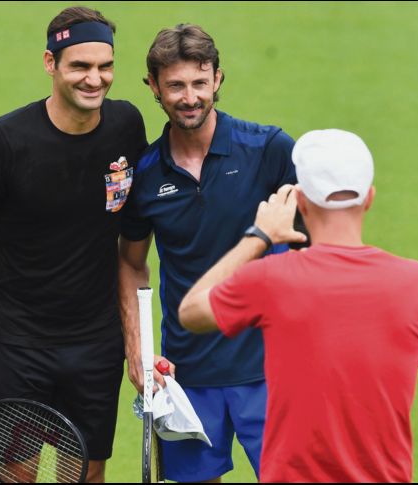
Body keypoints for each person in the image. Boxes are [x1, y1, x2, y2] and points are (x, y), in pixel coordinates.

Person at [0, 6, 147, 482]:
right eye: (80, 66)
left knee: (86, 477)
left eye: (105, 66)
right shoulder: (1, 142)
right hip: (18, 345)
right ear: (50, 63)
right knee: (18, 477)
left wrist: (136, 342)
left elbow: (133, 245)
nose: (95, 79)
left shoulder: (126, 127)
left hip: (97, 345)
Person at [179, 129, 418, 482]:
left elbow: (191, 311)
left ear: (300, 202)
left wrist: (259, 236)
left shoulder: (271, 280)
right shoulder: (416, 281)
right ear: (369, 198)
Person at [119, 24, 305, 482]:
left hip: (272, 372)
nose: (189, 97)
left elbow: (317, 247)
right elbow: (130, 262)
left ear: (218, 80)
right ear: (153, 87)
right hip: (186, 377)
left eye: (200, 83)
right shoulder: (144, 174)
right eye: (176, 85)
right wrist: (138, 351)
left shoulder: (271, 150)